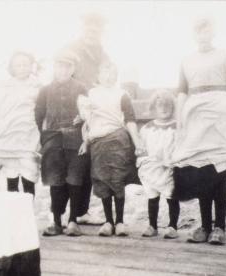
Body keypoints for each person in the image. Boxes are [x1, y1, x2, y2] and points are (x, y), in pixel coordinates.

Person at [171, 17, 226, 245]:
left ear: (212, 32)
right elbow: (182, 93)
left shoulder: (225, 55)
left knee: (219, 170)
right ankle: (204, 227)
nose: (202, 35)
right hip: (195, 115)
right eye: (198, 31)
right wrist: (179, 122)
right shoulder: (186, 60)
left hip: (221, 114)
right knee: (201, 169)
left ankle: (220, 228)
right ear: (193, 34)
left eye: (206, 30)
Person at [79, 61, 143, 237]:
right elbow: (87, 121)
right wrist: (85, 141)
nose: (108, 76)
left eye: (112, 72)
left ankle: (120, 221)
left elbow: (130, 119)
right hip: (97, 142)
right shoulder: (91, 94)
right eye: (104, 72)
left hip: (117, 139)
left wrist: (137, 143)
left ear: (116, 76)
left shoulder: (122, 94)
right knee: (101, 180)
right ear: (98, 75)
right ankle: (108, 221)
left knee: (117, 179)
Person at [35, 49, 88, 237]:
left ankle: (73, 221)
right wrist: (44, 136)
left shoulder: (81, 88)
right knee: (55, 180)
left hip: (76, 139)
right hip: (52, 139)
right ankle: (56, 221)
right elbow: (38, 115)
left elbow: (89, 114)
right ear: (55, 67)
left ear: (73, 68)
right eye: (60, 66)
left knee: (75, 179)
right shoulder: (45, 90)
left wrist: (82, 121)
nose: (64, 70)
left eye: (68, 67)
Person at [66, 12, 110, 225]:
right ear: (82, 27)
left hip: (94, 110)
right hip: (74, 111)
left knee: (88, 161)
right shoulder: (71, 50)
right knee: (72, 162)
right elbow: (63, 79)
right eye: (89, 27)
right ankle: (66, 212)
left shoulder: (102, 54)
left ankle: (82, 211)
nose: (92, 32)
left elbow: (108, 77)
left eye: (97, 29)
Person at [0, 51, 41, 196]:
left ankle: (28, 215)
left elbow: (42, 111)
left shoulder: (37, 86)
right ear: (12, 67)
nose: (22, 68)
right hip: (8, 137)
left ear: (31, 66)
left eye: (25, 64)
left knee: (29, 178)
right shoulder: (4, 87)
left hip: (29, 136)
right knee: (12, 179)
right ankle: (14, 216)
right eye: (18, 65)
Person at [137, 90, 180, 238]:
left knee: (171, 197)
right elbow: (141, 148)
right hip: (152, 169)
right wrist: (145, 161)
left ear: (173, 107)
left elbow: (181, 147)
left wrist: (173, 161)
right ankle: (152, 225)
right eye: (160, 105)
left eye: (168, 105)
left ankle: (172, 226)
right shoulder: (147, 128)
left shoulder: (177, 128)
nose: (164, 108)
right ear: (154, 107)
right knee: (152, 197)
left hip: (169, 168)